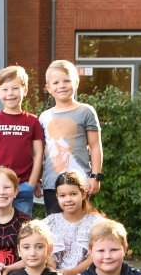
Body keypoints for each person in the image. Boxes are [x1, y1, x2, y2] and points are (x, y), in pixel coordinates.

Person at [39, 60, 104, 215]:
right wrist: (37, 179)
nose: (61, 85)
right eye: (56, 82)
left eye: (67, 81)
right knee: (55, 230)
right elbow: (40, 151)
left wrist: (96, 176)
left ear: (76, 82)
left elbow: (95, 146)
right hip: (52, 185)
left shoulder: (86, 111)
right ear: (48, 88)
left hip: (80, 183)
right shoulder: (44, 117)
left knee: (80, 228)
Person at [0, 65, 44, 217]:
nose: (10, 93)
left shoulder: (33, 121)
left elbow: (39, 154)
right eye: (5, 89)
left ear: (25, 90)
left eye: (15, 88)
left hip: (23, 185)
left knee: (22, 229)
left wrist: (32, 182)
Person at [44, 171, 104, 275]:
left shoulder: (96, 222)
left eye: (73, 194)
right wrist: (55, 273)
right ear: (57, 197)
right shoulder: (49, 223)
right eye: (62, 195)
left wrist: (70, 273)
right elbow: (45, 254)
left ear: (83, 194)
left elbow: (95, 256)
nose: (68, 200)